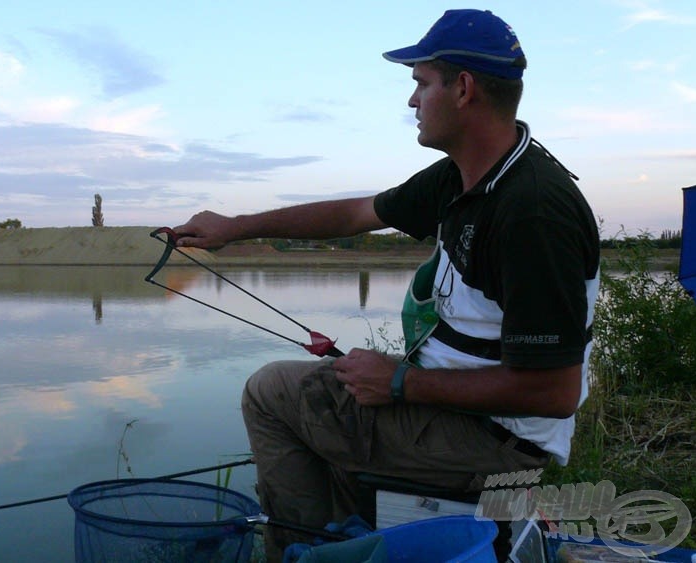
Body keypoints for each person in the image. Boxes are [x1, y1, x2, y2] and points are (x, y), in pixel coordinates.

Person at [173, 9, 600, 561]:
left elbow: (554, 393)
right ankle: (352, 536)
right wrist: (237, 228)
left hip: (494, 439)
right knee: (330, 398)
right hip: (460, 410)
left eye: (421, 83)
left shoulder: (533, 211)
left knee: (271, 392)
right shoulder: (463, 176)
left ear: (463, 88)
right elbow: (354, 214)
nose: (412, 101)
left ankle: (306, 552)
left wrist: (400, 384)